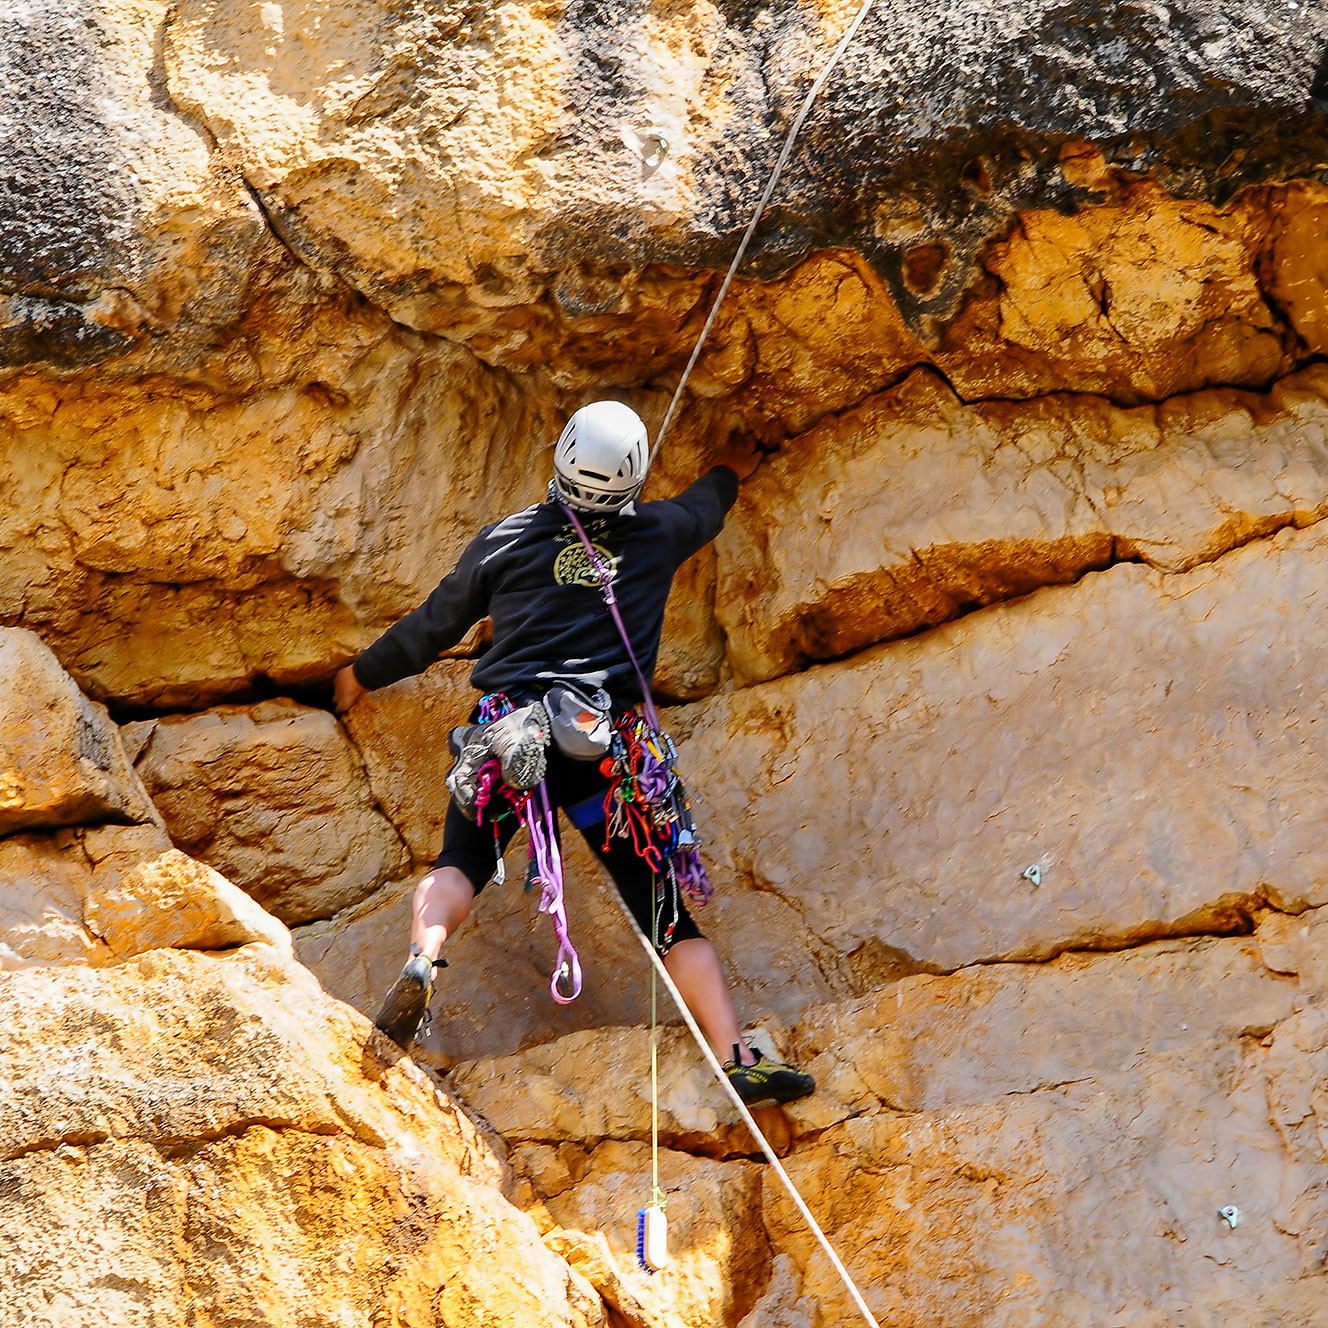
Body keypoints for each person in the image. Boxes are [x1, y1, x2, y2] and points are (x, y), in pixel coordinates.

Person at [334, 400, 814, 1106]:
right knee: (666, 917)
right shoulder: (657, 533)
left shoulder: (505, 541)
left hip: (511, 734)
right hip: (604, 754)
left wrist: (359, 674)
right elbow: (704, 507)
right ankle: (735, 1054)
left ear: (560, 456)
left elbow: (432, 626)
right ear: (635, 476)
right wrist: (730, 467)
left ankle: (423, 957)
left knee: (462, 864)